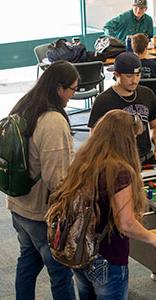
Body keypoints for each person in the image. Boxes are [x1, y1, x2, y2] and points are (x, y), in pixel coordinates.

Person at [50, 109, 156, 299]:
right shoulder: (119, 171)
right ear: (125, 139)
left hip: (81, 250)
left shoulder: (84, 161)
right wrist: (152, 238)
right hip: (107, 257)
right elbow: (125, 223)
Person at [7, 61, 78, 300]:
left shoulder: (24, 106)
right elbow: (56, 179)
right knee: (60, 273)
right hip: (42, 214)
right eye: (72, 89)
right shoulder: (53, 121)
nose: (72, 96)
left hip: (18, 205)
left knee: (27, 262)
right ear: (59, 88)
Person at [88, 52, 156, 165]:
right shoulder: (103, 101)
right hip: (119, 163)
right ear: (116, 74)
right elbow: (95, 136)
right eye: (129, 76)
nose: (134, 80)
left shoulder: (147, 94)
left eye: (138, 75)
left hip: (145, 159)